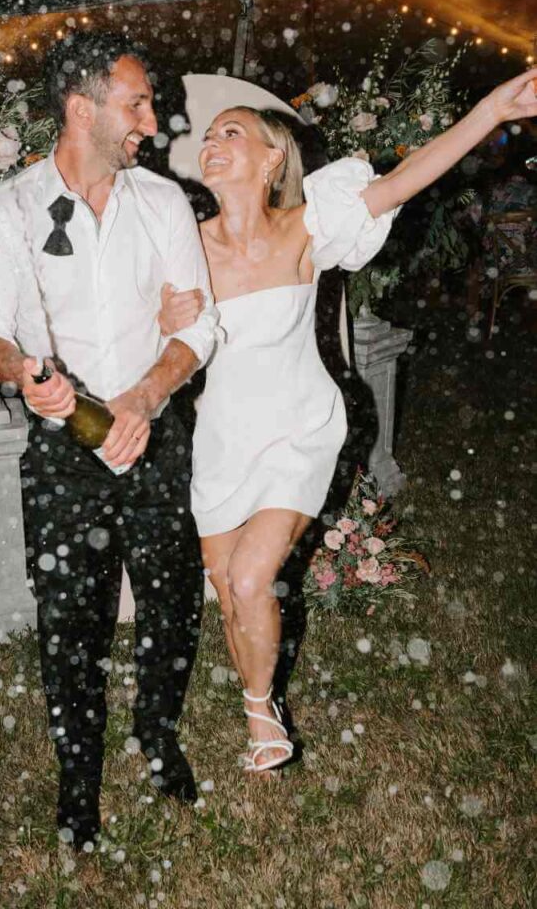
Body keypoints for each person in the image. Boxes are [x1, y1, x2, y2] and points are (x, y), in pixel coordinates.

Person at [159, 69, 537, 773]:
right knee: (227, 590)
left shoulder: (310, 225)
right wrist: (163, 321)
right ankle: (256, 692)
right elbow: (148, 336)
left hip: (299, 427)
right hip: (221, 438)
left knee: (250, 582)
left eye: (230, 132)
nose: (212, 142)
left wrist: (493, 109)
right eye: (208, 136)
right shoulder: (182, 245)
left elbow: (408, 177)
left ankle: (257, 710)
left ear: (273, 157)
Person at [0, 31, 218, 849]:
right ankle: (78, 780)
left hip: (157, 430)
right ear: (82, 109)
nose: (151, 118)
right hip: (64, 445)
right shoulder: (8, 208)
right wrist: (24, 371)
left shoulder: (164, 202)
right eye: (135, 102)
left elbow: (199, 324)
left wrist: (144, 398)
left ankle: (156, 730)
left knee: (171, 601)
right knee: (69, 618)